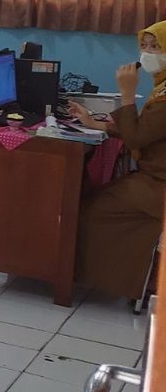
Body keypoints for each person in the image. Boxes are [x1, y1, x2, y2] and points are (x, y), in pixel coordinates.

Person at [70, 20, 166, 300]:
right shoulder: (162, 87)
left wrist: (126, 94)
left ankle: (79, 274)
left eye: (156, 47)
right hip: (152, 178)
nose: (147, 53)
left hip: (157, 185)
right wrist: (96, 125)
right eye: (144, 46)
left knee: (90, 209)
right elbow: (147, 132)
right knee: (99, 194)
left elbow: (136, 138)